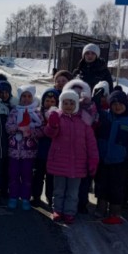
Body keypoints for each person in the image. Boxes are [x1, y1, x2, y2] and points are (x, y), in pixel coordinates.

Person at [44, 90, 99, 224]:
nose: (68, 106)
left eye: (71, 103)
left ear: (76, 105)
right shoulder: (57, 117)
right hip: (59, 163)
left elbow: (91, 143)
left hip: (77, 164)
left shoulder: (83, 122)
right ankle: (57, 210)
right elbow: (50, 133)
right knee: (59, 190)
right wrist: (52, 125)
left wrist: (93, 159)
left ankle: (69, 212)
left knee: (73, 192)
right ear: (61, 103)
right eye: (65, 103)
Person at [93, 90, 128, 224]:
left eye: (120, 104)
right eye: (114, 104)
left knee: (117, 187)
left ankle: (115, 212)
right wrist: (96, 99)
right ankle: (101, 207)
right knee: (101, 184)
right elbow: (95, 109)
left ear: (125, 104)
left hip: (120, 161)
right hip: (103, 159)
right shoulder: (105, 116)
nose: (117, 107)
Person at [5, 85, 43, 210]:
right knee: (13, 175)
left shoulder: (36, 113)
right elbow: (8, 127)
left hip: (29, 152)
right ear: (19, 98)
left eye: (29, 96)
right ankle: (13, 197)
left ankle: (26, 198)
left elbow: (42, 130)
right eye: (23, 96)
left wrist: (31, 131)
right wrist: (18, 127)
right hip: (14, 151)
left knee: (27, 176)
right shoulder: (14, 111)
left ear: (33, 97)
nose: (26, 99)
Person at [31, 88, 59, 208]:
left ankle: (50, 197)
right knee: (38, 176)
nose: (50, 103)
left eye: (53, 101)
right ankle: (36, 196)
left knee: (51, 178)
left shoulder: (59, 115)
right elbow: (34, 130)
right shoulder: (38, 113)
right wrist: (44, 129)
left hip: (54, 153)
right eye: (47, 100)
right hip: (39, 152)